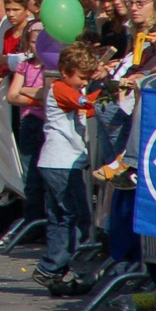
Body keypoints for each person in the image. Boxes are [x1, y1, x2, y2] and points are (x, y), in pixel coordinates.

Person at [33, 44, 98, 296]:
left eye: (88, 79)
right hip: (61, 164)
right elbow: (85, 102)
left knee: (60, 219)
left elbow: (86, 107)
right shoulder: (60, 88)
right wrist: (109, 90)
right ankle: (50, 267)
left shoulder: (67, 89)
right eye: (82, 77)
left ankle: (57, 272)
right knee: (77, 218)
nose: (84, 83)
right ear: (64, 71)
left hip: (58, 162)